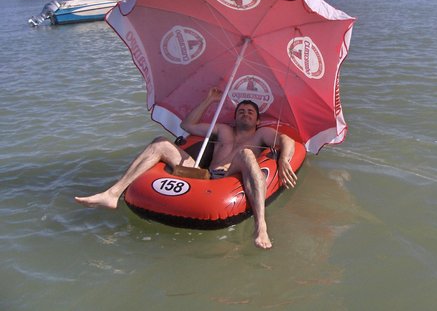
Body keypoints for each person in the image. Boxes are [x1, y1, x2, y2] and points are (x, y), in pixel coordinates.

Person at [75, 87, 297, 249]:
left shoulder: (262, 134)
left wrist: (284, 159)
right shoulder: (223, 130)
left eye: (250, 112)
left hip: (230, 177)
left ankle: (261, 227)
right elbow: (187, 125)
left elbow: (287, 140)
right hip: (205, 173)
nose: (245, 113)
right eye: (241, 110)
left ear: (257, 119)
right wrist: (209, 99)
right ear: (234, 116)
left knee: (246, 153)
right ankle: (112, 194)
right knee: (160, 142)